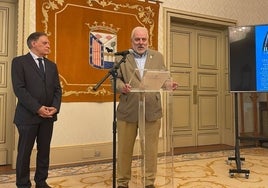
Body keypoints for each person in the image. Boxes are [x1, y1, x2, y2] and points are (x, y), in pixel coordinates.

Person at [114, 26, 178, 188]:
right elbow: (115, 80)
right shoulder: (122, 58)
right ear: (131, 41)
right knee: (124, 150)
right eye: (137, 39)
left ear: (148, 40)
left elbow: (164, 78)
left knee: (150, 150)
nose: (141, 43)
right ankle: (122, 182)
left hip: (151, 110)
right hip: (128, 109)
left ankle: (149, 182)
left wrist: (169, 84)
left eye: (144, 39)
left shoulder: (157, 57)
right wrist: (122, 87)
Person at [11, 32, 62, 188]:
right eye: (45, 43)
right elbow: (20, 90)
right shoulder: (19, 62)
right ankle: (23, 184)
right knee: (24, 153)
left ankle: (41, 181)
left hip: (48, 117)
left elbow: (57, 90)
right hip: (27, 116)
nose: (48, 45)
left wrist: (55, 107)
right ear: (33, 43)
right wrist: (38, 108)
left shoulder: (52, 65)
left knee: (44, 152)